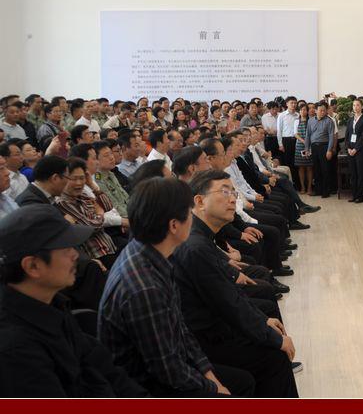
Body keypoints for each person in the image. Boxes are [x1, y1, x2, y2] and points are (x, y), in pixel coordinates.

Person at [97, 178, 255, 397]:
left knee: (242, 377)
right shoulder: (144, 287)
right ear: (173, 225)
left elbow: (179, 328)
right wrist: (214, 388)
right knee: (245, 380)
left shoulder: (150, 252)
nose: (193, 218)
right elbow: (167, 370)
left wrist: (207, 372)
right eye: (189, 213)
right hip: (147, 388)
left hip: (168, 366)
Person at [171, 170, 299, 398]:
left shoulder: (200, 236)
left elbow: (230, 294)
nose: (232, 199)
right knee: (275, 357)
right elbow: (229, 304)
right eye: (224, 192)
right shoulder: (195, 245)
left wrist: (263, 321)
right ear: (199, 201)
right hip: (204, 340)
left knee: (268, 325)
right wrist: (274, 338)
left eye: (233, 193)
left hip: (214, 326)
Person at [0, 205, 148, 397]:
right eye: (66, 249)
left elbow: (101, 365)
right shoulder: (15, 350)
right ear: (33, 266)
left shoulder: (51, 303)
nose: (75, 255)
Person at [305, 101, 336, 198]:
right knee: (316, 169)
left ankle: (326, 191)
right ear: (315, 111)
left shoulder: (329, 121)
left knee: (325, 169)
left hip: (325, 146)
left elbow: (331, 137)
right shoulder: (310, 121)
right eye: (320, 110)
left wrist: (329, 150)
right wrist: (307, 149)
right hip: (314, 147)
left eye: (324, 110)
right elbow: (308, 135)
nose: (323, 112)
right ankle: (318, 190)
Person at [345, 98, 363, 203]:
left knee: (360, 173)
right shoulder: (350, 120)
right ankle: (354, 195)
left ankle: (360, 196)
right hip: (350, 150)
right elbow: (347, 135)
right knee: (353, 173)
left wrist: (355, 149)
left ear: (362, 107)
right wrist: (348, 148)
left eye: (358, 105)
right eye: (354, 105)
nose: (355, 107)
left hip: (360, 150)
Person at [293, 104, 312, 194]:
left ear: (307, 111)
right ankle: (303, 187)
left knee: (309, 167)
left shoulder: (311, 120)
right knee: (301, 167)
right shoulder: (296, 121)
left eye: (304, 110)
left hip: (310, 145)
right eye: (301, 110)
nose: (302, 111)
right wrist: (304, 141)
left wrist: (308, 142)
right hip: (300, 146)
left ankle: (309, 188)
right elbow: (295, 134)